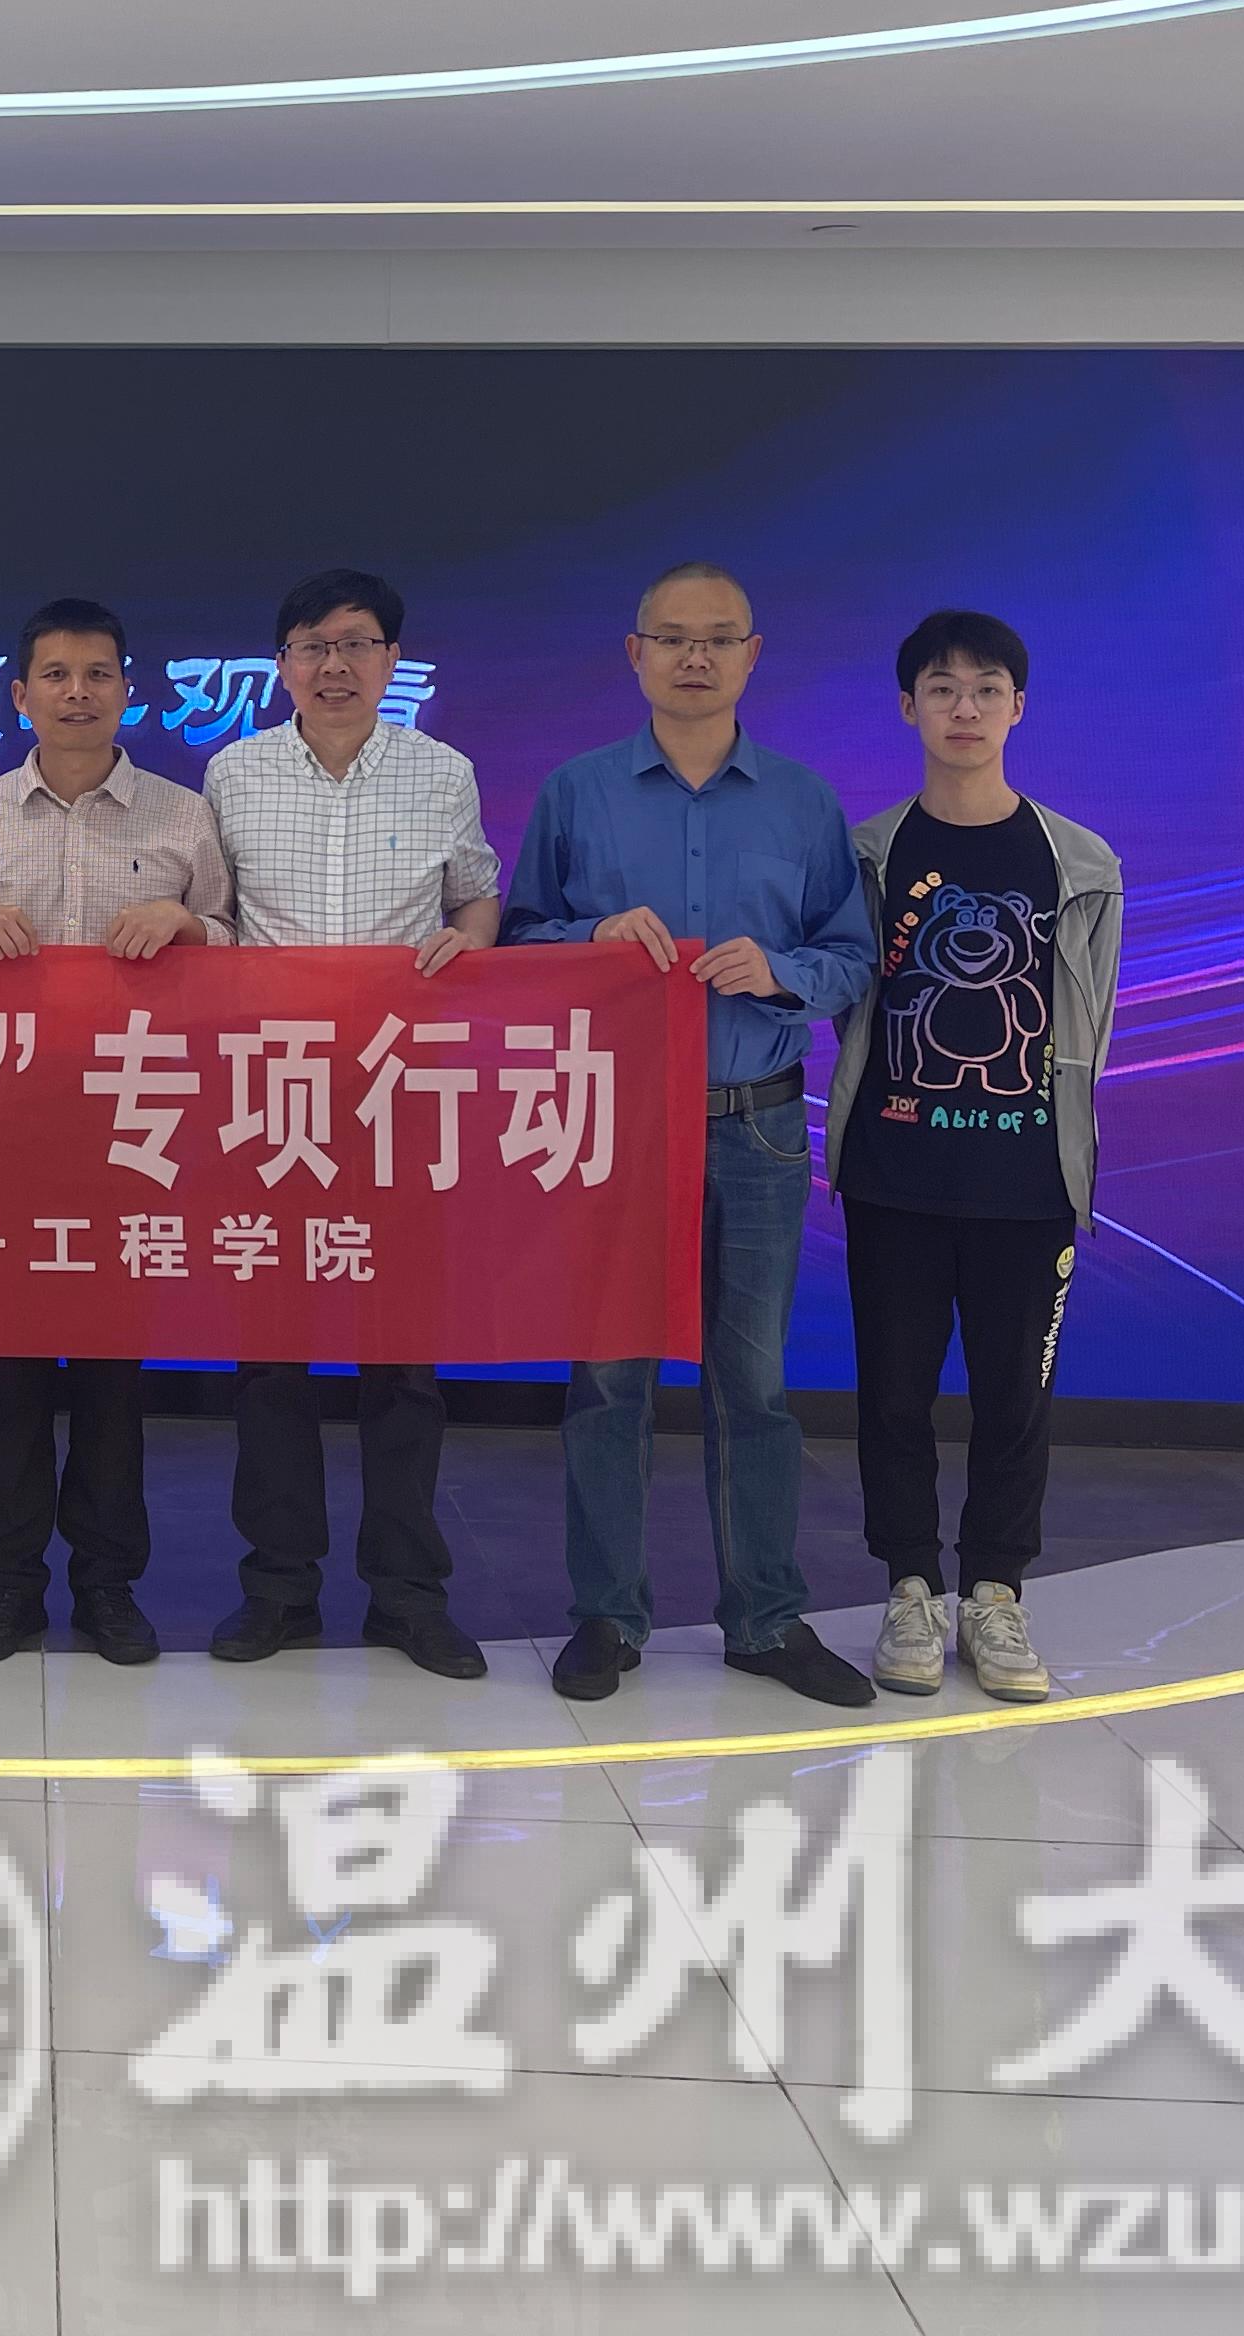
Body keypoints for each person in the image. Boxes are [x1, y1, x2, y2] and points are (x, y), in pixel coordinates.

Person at [502, 562, 880, 1709]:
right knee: (608, 1382)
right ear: (636, 655)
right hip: (614, 1132)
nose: (695, 658)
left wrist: (783, 971)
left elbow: (853, 959)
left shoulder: (804, 802)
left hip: (755, 1125)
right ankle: (606, 1616)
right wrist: (588, 937)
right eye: (672, 638)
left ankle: (765, 1620)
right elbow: (516, 946)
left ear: (753, 656)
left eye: (718, 639)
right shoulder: (577, 793)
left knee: (751, 1386)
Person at [200, 569, 502, 1680]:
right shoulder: (233, 772)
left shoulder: (442, 771)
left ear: (391, 661)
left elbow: (476, 894)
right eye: (312, 646)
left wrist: (473, 940)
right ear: (282, 663)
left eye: (358, 644)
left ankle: (407, 1593)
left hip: (397, 1094)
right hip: (270, 1094)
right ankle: (278, 1586)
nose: (334, 665)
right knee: (271, 1357)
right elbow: (211, 917)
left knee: (402, 1357)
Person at [0, 597, 231, 1670]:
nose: (78, 693)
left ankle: (107, 1583)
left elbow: (237, 943)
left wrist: (190, 923)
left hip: (133, 1132)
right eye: (55, 675)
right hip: (3, 1126)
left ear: (127, 690)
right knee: (7, 1372)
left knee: (109, 1372)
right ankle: (7, 1583)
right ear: (21, 695)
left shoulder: (181, 815)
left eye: (98, 674)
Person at [825, 609, 1124, 1707]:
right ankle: (910, 1587)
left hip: (1029, 1183)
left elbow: (1090, 1020)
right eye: (942, 688)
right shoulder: (867, 853)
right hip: (894, 1174)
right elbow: (847, 996)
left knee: (1015, 1400)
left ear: (1018, 708)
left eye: (986, 688)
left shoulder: (1077, 862)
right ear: (908, 707)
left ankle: (996, 1591)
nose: (965, 708)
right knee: (893, 1396)